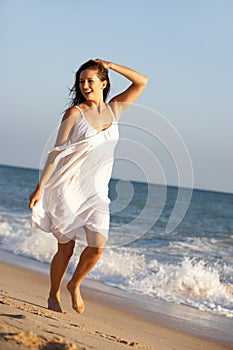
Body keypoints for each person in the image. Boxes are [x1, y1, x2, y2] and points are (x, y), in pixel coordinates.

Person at [29, 58, 148, 314]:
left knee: (97, 246)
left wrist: (111, 65)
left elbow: (142, 81)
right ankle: (53, 294)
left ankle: (75, 284)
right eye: (81, 81)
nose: (85, 86)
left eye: (90, 81)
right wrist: (40, 187)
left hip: (97, 192)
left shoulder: (115, 108)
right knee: (66, 248)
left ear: (103, 83)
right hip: (67, 188)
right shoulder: (75, 113)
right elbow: (56, 152)